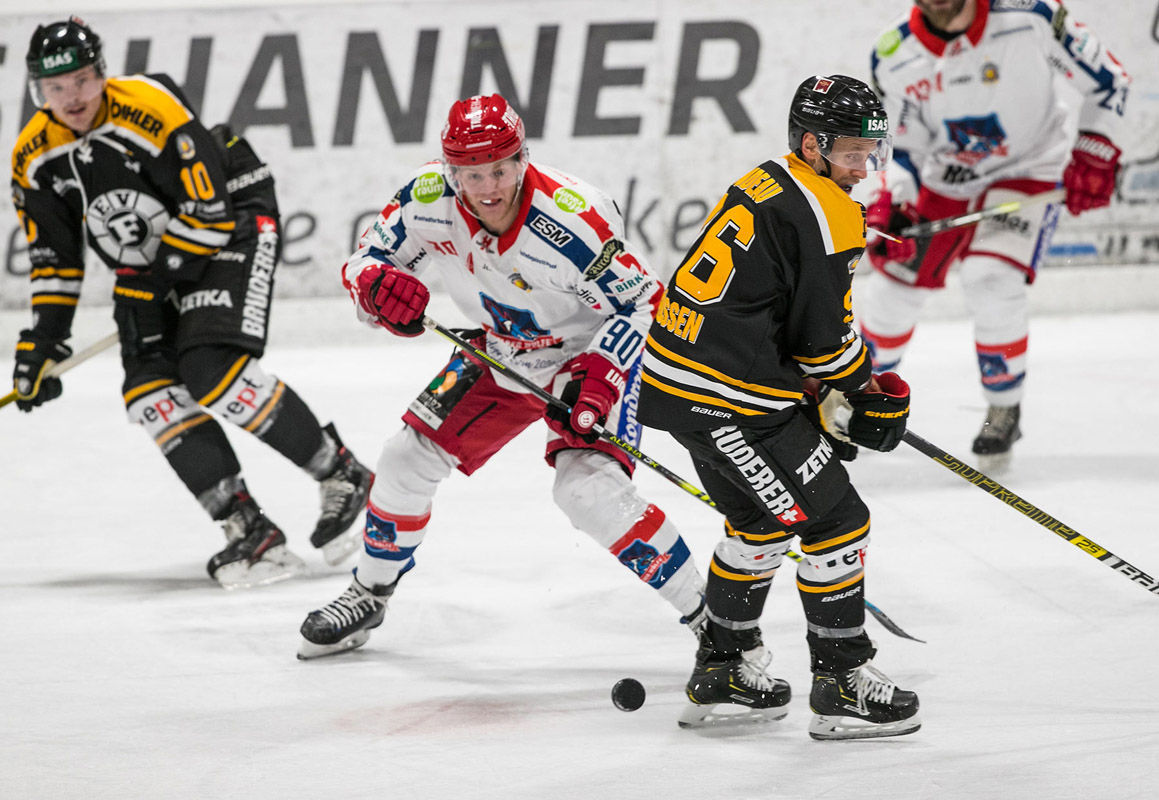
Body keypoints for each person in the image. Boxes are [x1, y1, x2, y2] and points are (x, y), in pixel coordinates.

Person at [296, 94, 707, 659]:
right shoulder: (425, 199)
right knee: (404, 458)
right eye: (470, 173)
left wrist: (604, 373)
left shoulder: (573, 218)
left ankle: (712, 618)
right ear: (450, 171)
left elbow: (645, 303)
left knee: (585, 490)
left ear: (522, 159)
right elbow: (366, 260)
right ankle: (369, 592)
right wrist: (375, 290)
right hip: (502, 350)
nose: (487, 188)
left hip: (588, 350)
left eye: (499, 169)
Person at [10, 17, 372, 588]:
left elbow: (209, 215)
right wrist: (42, 344)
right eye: (55, 88)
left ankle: (342, 473)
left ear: (100, 74)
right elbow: (55, 259)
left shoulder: (149, 109)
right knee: (149, 393)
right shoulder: (34, 157)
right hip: (150, 260)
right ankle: (250, 531)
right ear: (37, 91)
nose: (71, 98)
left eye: (80, 80)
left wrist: (153, 281)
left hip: (234, 222)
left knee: (209, 369)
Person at [637, 74, 921, 739]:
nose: (862, 167)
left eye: (869, 152)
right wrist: (862, 389)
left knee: (760, 522)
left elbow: (769, 310)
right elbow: (823, 342)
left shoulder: (767, 179)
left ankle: (724, 672)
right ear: (811, 144)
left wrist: (821, 387)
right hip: (727, 397)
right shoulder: (831, 211)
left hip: (681, 384)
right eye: (850, 151)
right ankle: (843, 682)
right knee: (838, 520)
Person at [860, 0, 1130, 467]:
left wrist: (1095, 147)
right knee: (891, 289)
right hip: (944, 178)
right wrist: (896, 200)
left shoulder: (1032, 16)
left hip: (1029, 168)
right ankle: (857, 398)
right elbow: (897, 148)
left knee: (991, 278)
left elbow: (1110, 82)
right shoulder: (894, 52)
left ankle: (1004, 404)